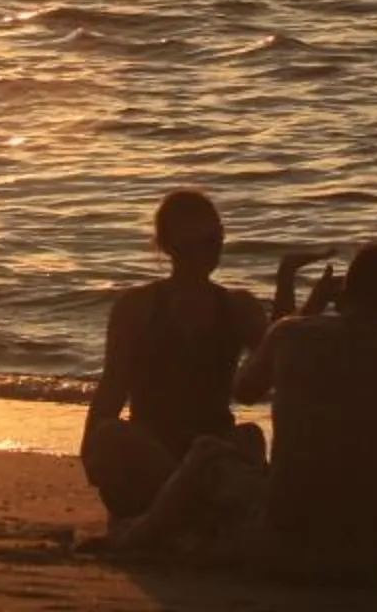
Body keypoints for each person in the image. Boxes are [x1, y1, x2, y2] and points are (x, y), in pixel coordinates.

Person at [109, 238, 377, 587]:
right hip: (369, 562)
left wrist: (305, 318)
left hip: (281, 549)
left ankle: (138, 535)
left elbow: (243, 389)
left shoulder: (292, 335)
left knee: (208, 452)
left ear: (344, 295)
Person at [79, 189, 311, 519]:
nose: (208, 253)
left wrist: (287, 281)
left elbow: (271, 365)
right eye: (196, 245)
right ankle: (183, 508)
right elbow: (113, 385)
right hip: (152, 450)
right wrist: (91, 451)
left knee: (248, 438)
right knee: (110, 435)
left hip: (212, 448)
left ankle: (178, 512)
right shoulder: (138, 306)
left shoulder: (236, 306)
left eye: (215, 241)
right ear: (170, 247)